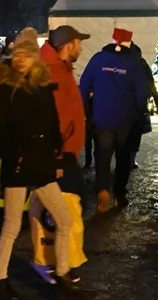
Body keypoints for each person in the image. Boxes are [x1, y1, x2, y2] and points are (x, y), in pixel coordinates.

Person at [0, 30, 90, 299]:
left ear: (34, 57)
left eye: (27, 55)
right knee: (10, 226)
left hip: (41, 164)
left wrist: (56, 155)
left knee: (64, 219)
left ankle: (62, 274)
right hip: (19, 165)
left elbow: (53, 124)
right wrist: (13, 155)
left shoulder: (43, 85)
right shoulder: (4, 88)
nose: (21, 60)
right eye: (17, 55)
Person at [79, 28, 149, 211]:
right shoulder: (134, 63)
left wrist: (86, 109)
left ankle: (102, 190)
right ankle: (119, 193)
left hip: (101, 118)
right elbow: (142, 93)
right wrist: (138, 113)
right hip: (125, 120)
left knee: (102, 156)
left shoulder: (98, 59)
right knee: (123, 157)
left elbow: (84, 85)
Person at [38, 26, 89, 199]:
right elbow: (55, 116)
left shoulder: (62, 68)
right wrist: (58, 155)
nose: (81, 48)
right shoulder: (54, 72)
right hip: (61, 152)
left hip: (63, 150)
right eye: (78, 43)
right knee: (73, 201)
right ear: (69, 45)